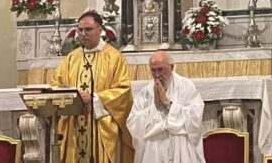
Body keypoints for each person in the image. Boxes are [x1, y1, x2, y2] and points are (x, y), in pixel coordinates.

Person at [51, 10, 135, 163]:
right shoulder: (72, 57)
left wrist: (93, 98)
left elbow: (123, 91)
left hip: (99, 126)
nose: (83, 34)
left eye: (88, 29)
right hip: (74, 126)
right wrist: (71, 96)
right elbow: (57, 84)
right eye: (80, 30)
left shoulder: (114, 57)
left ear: (100, 30)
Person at [128, 51, 206, 163]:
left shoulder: (186, 86)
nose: (157, 75)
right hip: (153, 149)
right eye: (153, 70)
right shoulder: (145, 93)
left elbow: (195, 115)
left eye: (160, 69)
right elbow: (133, 121)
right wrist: (154, 108)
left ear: (172, 67)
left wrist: (169, 104)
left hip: (180, 146)